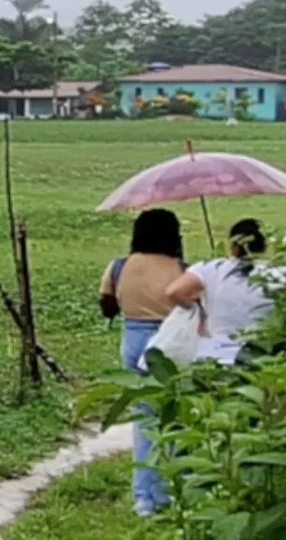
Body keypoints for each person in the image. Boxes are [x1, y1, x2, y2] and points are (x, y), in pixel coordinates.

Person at [98, 208, 184, 516]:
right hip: (171, 342)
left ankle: (142, 497)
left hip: (133, 341)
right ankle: (164, 491)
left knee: (144, 416)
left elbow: (108, 308)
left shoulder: (119, 266)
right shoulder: (180, 267)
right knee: (172, 417)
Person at [165, 219, 278, 362]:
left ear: (232, 246)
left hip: (214, 355)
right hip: (260, 356)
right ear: (265, 246)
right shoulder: (280, 273)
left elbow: (173, 291)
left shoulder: (212, 268)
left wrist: (199, 311)